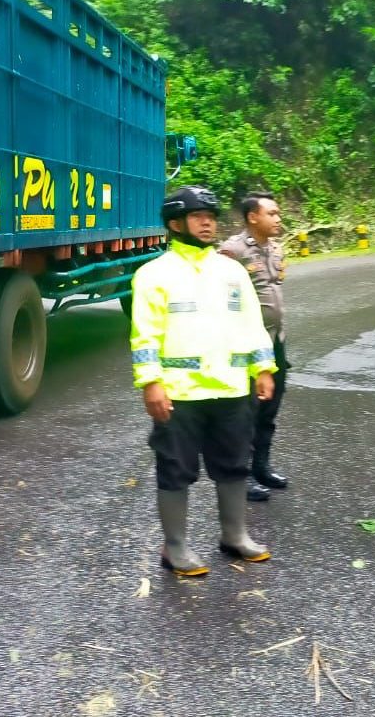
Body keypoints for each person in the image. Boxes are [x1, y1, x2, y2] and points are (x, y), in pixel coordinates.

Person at [131, 185, 277, 576]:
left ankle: (235, 536)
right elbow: (144, 335)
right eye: (198, 216)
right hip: (179, 392)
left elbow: (253, 323)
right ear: (175, 223)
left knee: (233, 464)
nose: (207, 222)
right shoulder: (153, 275)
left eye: (210, 216)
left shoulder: (231, 271)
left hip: (231, 387)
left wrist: (263, 368)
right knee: (175, 468)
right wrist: (151, 383)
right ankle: (175, 547)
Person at [220, 193, 291, 503]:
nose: (278, 218)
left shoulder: (276, 248)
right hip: (248, 346)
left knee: (269, 409)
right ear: (252, 217)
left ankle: (262, 467)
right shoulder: (232, 250)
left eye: (277, 213)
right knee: (246, 411)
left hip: (277, 342)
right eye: (271, 213)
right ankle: (243, 475)